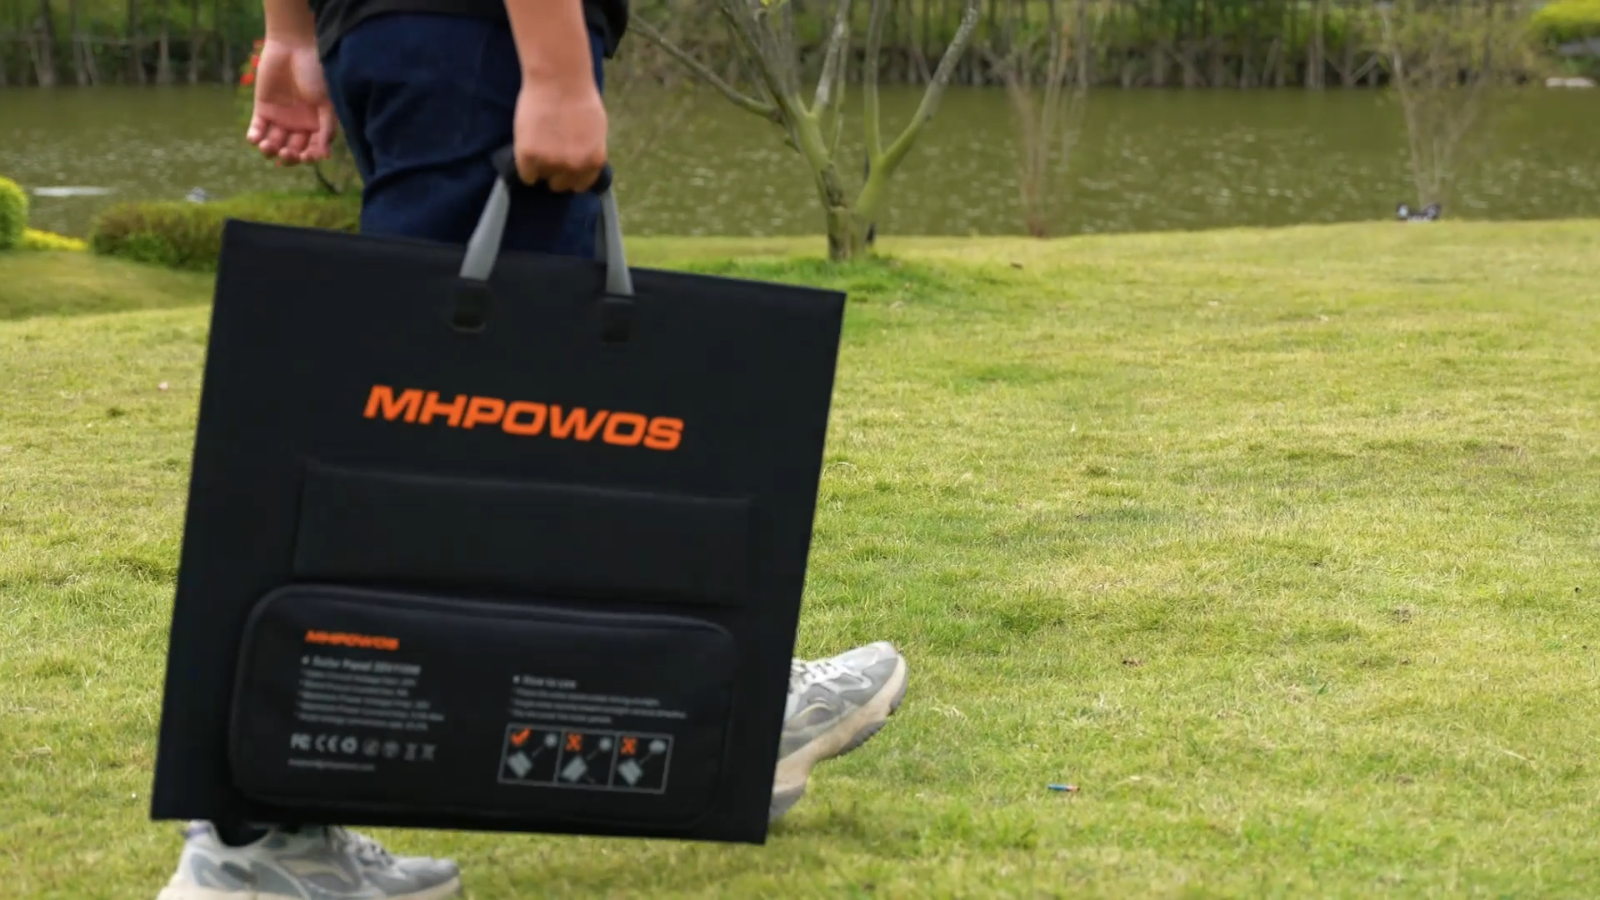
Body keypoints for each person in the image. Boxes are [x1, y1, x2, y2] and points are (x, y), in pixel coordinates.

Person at [153, 0, 908, 896]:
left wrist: (290, 31)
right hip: (485, 38)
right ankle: (252, 839)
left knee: (474, 416)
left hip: (390, 33)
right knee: (443, 432)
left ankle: (718, 694)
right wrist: (554, 68)